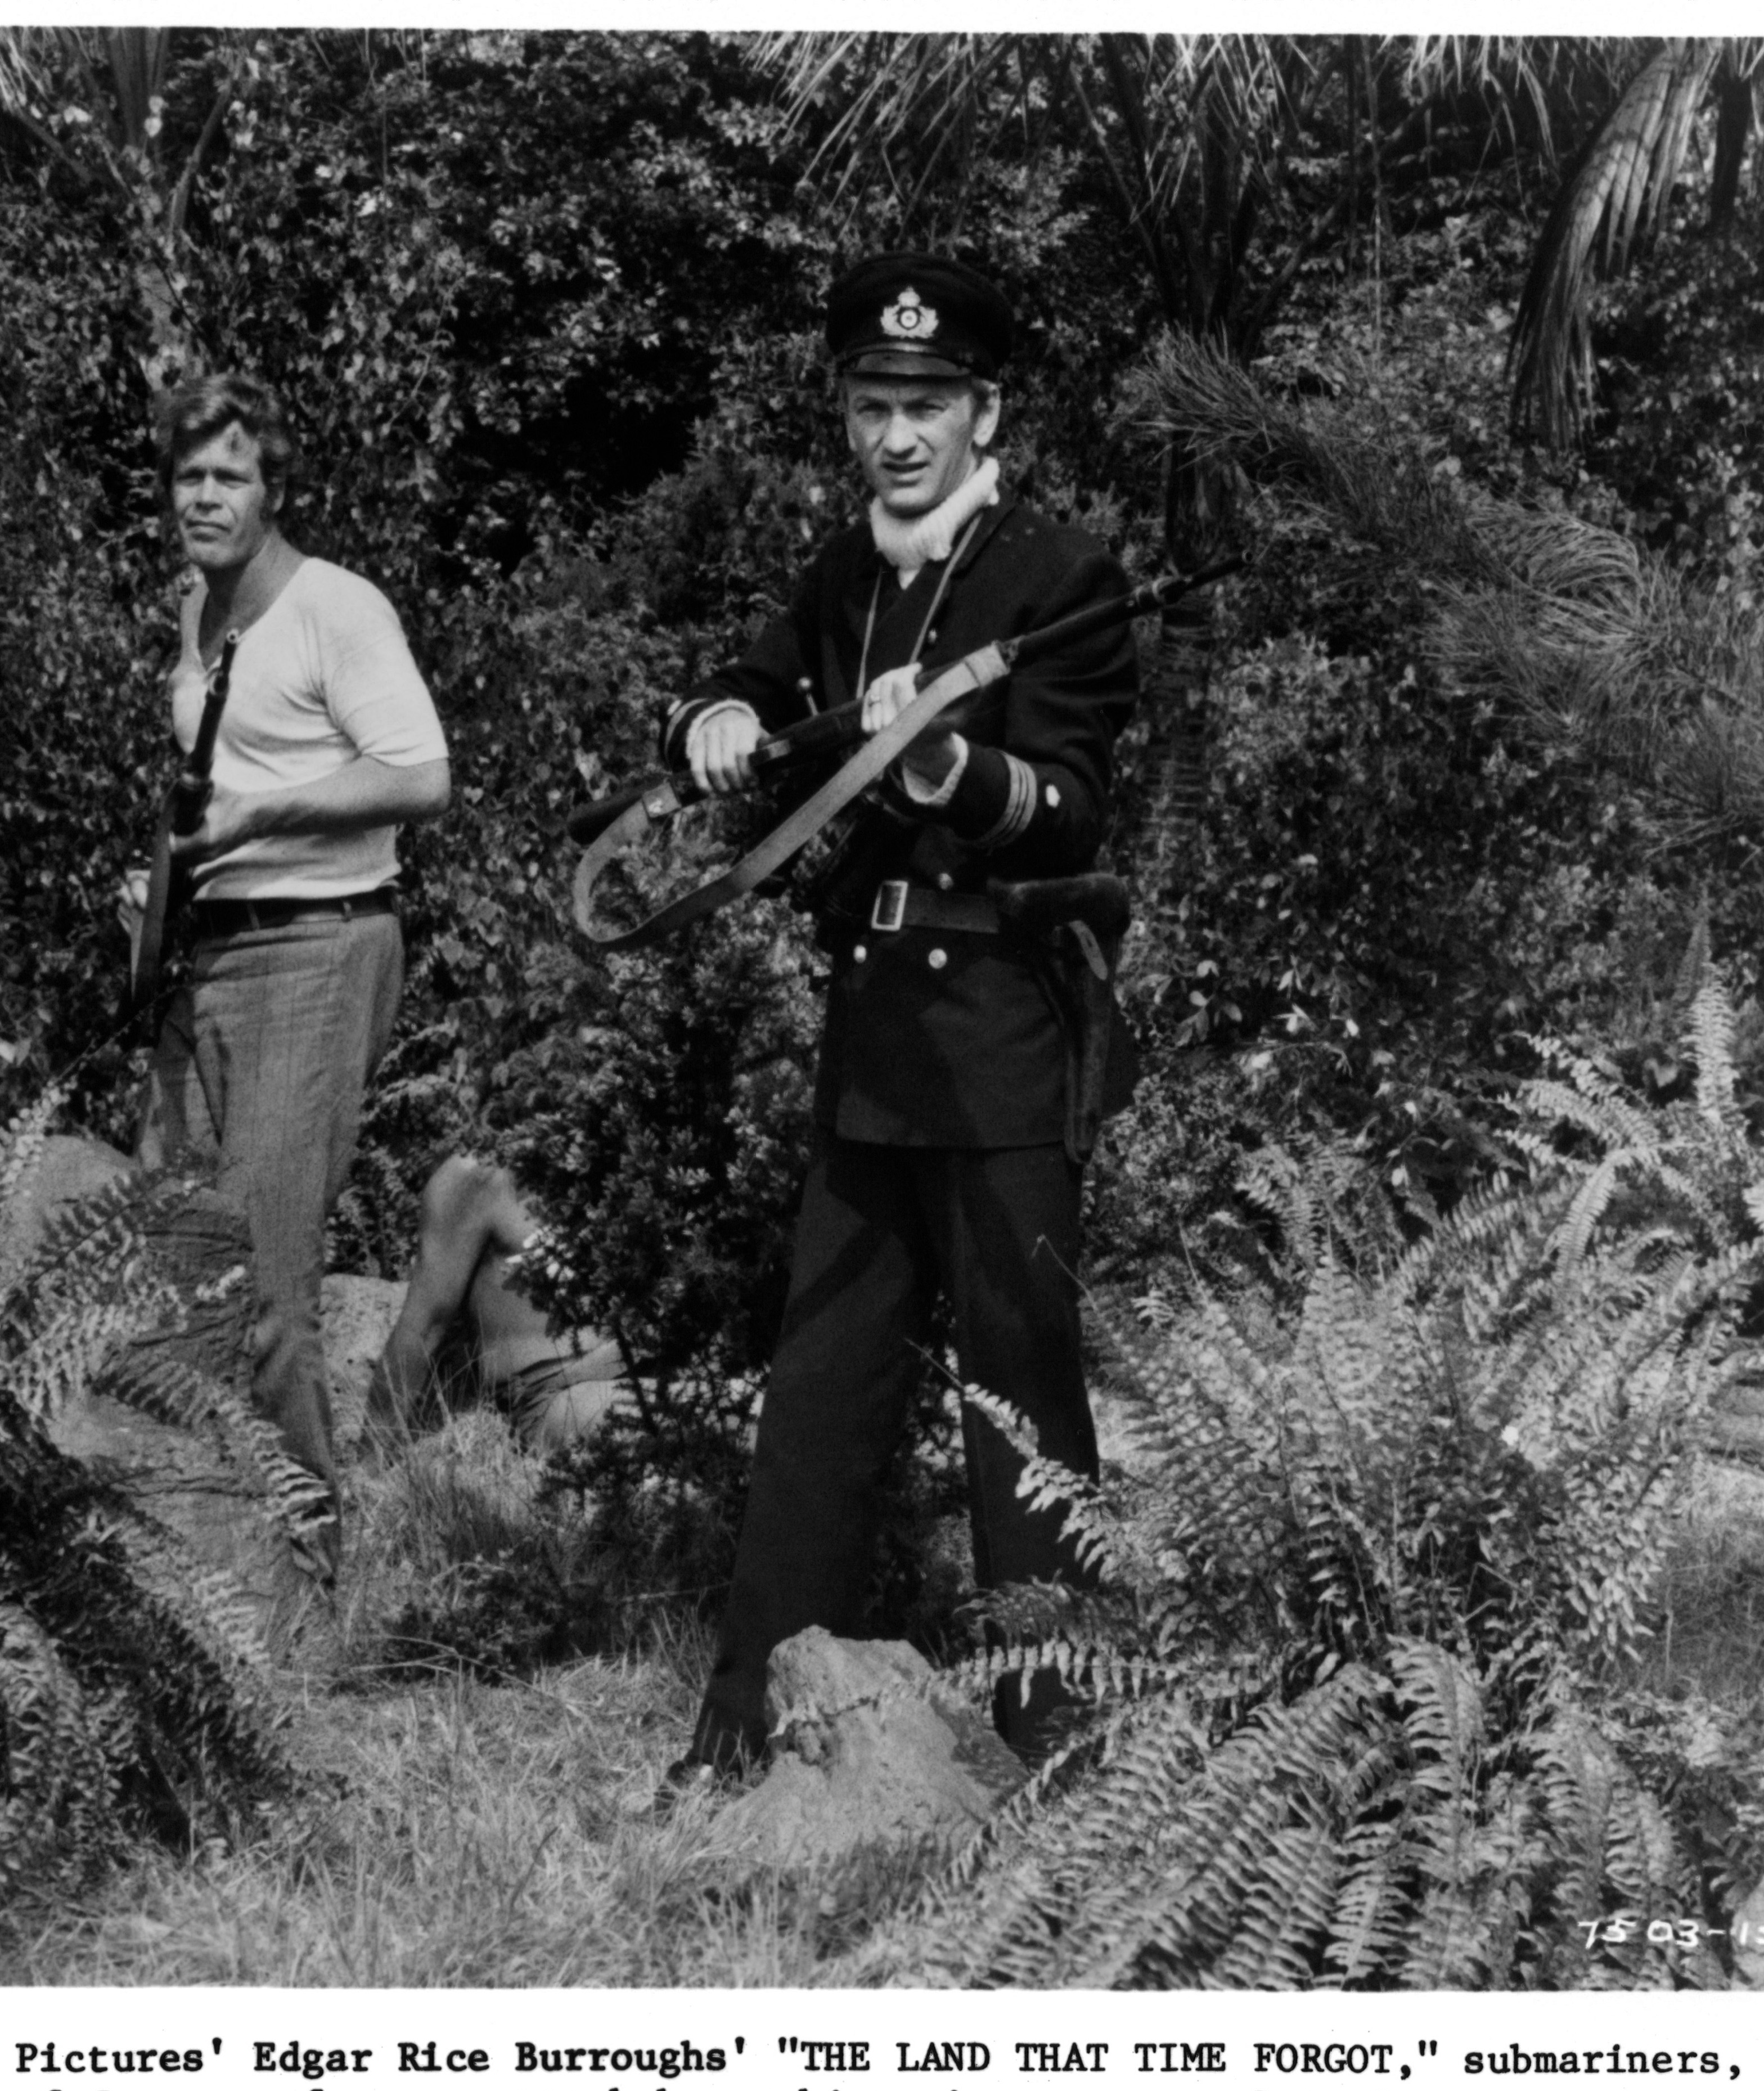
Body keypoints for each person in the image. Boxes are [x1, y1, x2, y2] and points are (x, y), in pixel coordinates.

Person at [662, 254, 1141, 1778]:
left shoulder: (1058, 576)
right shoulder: (841, 577)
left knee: (1019, 1414)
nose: (893, 434)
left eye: (922, 404)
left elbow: (1067, 812)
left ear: (980, 410)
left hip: (1000, 1039)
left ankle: (1053, 1753)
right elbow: (738, 686)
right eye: (870, 403)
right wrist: (717, 723)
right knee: (814, 1397)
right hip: (869, 1050)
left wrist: (950, 776)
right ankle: (745, 1733)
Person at [138, 374, 452, 1550]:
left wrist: (254, 825)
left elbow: (421, 776)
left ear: (274, 490)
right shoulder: (199, 611)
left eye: (229, 476)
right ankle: (198, 1559)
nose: (205, 497)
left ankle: (310, 1568)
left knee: (268, 1281)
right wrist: (171, 884)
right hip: (215, 956)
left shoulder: (336, 607)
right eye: (188, 476)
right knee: (164, 1250)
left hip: (318, 950)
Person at [369, 1155, 632, 1454]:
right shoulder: (477, 1175)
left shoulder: (624, 1156)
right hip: (553, 1395)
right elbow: (426, 1325)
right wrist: (367, 1467)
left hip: (646, 1369)